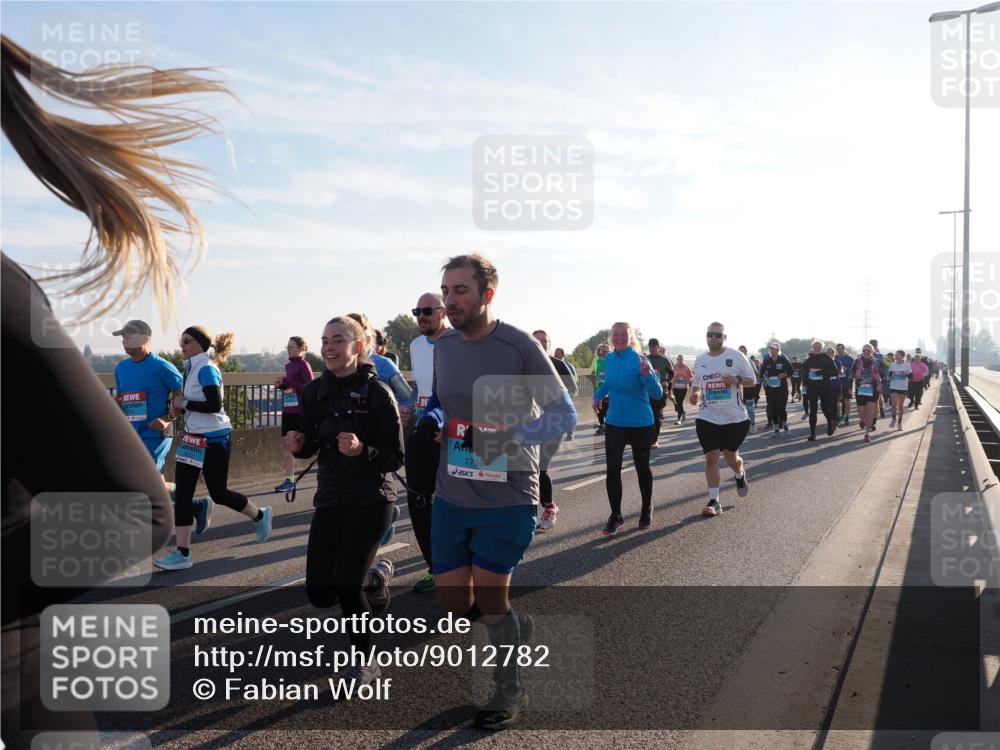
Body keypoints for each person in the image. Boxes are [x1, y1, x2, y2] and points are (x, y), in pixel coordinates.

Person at [1, 35, 212, 743]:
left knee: (177, 502)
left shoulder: (165, 369)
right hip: (92, 448)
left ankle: (196, 537)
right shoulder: (124, 369)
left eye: (137, 340)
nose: (131, 348)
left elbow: (181, 409)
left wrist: (163, 424)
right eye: (123, 341)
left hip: (154, 443)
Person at [420, 253, 576, 730]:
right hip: (452, 492)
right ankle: (515, 624)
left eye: (460, 291)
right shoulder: (443, 345)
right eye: (445, 292)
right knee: (451, 603)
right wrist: (431, 417)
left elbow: (563, 415)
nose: (449, 301)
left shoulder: (519, 346)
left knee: (490, 596)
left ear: (487, 294)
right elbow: (443, 402)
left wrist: (510, 438)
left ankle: (509, 687)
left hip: (508, 492)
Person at [283, 316, 405, 690]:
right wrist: (300, 446)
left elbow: (395, 457)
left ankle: (367, 662)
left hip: (372, 499)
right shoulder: (315, 392)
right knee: (320, 594)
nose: (329, 347)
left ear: (358, 346)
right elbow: (311, 442)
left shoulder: (378, 393)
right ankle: (375, 576)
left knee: (347, 588)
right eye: (325, 341)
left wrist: (362, 450)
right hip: (331, 498)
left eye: (338, 340)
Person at [154, 327, 273, 570]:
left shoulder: (207, 368)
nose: (182, 346)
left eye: (187, 341)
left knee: (219, 493)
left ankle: (260, 515)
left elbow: (214, 404)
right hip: (191, 440)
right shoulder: (191, 368)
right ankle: (183, 553)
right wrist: (179, 409)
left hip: (214, 441)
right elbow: (193, 404)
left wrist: (184, 402)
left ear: (200, 344)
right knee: (184, 494)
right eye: (181, 342)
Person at [113, 320, 213, 534]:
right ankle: (197, 505)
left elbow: (183, 396)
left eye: (128, 337)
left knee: (144, 481)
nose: (124, 342)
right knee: (152, 483)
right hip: (131, 434)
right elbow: (123, 398)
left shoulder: (161, 366)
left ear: (145, 339)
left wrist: (168, 419)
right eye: (122, 338)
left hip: (157, 433)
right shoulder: (121, 368)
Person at [593, 323, 663, 533]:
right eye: (616, 334)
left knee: (642, 468)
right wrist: (598, 395)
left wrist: (647, 375)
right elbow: (608, 383)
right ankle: (616, 516)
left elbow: (657, 393)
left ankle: (646, 508)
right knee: (612, 470)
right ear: (611, 337)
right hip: (614, 422)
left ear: (630, 337)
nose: (620, 338)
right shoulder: (610, 359)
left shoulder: (641, 359)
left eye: (624, 334)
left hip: (640, 423)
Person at [689, 323, 755, 517]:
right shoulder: (700, 360)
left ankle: (739, 473)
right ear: (706, 337)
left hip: (735, 418)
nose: (714, 338)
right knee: (711, 458)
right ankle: (714, 500)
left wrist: (736, 380)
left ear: (724, 338)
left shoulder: (736, 356)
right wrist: (695, 394)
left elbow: (752, 380)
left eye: (718, 335)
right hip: (708, 416)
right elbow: (696, 385)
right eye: (710, 334)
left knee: (731, 457)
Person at [406, 292, 448, 593]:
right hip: (425, 428)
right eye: (417, 311)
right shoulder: (415, 345)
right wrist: (409, 407)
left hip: (456, 431)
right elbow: (422, 388)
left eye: (427, 311)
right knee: (418, 496)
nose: (422, 316)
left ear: (442, 312)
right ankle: (436, 567)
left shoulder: (461, 340)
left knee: (458, 500)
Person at [533, 330, 579, 531]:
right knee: (526, 467)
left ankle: (550, 507)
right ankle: (526, 510)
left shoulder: (557, 364)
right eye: (536, 340)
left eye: (544, 341)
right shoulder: (523, 363)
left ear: (549, 344)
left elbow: (574, 390)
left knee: (541, 466)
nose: (541, 343)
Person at [274, 336, 316, 493]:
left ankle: (323, 470)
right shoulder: (288, 366)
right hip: (288, 409)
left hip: (299, 411)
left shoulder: (304, 365)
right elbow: (292, 388)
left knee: (296, 444)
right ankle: (289, 479)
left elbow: (309, 387)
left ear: (301, 349)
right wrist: (282, 385)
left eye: (292, 347)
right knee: (286, 443)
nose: (288, 349)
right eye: (288, 346)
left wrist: (288, 382)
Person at [801, 341, 839, 441]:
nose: (816, 349)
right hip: (812, 387)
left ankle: (830, 423)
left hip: (825, 386)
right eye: (815, 347)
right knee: (813, 410)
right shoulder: (809, 359)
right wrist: (806, 382)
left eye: (818, 347)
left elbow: (835, 371)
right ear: (812, 348)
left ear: (822, 348)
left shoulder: (827, 358)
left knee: (824, 407)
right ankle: (813, 433)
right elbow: (804, 372)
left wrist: (822, 372)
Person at [759, 342, 792, 435]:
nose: (772, 350)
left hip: (782, 388)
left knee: (781, 408)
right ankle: (776, 429)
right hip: (770, 388)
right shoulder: (767, 361)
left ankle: (785, 426)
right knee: (772, 408)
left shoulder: (783, 360)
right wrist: (763, 379)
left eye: (774, 349)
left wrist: (784, 374)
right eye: (771, 349)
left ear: (778, 350)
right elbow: (761, 374)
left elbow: (791, 371)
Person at [646, 338, 673, 448]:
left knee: (656, 416)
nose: (651, 348)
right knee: (647, 415)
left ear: (658, 347)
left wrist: (666, 381)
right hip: (646, 392)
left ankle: (654, 440)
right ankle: (645, 438)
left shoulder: (664, 360)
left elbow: (671, 373)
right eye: (650, 346)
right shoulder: (645, 359)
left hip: (660, 392)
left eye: (654, 346)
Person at [853, 344, 883, 444]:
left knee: (870, 411)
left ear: (872, 352)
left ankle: (867, 434)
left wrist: (880, 384)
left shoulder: (877, 362)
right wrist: (849, 386)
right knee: (861, 412)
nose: (866, 352)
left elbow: (883, 374)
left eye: (868, 351)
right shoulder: (857, 361)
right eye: (864, 350)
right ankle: (862, 420)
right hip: (860, 388)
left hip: (873, 388)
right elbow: (851, 374)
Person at [553, 347, 578, 439]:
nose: (556, 355)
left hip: (567, 392)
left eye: (558, 353)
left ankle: (570, 432)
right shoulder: (551, 364)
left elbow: (575, 379)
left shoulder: (568, 365)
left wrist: (571, 392)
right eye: (555, 353)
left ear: (563, 355)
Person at [886, 350, 912, 431]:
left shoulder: (907, 366)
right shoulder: (891, 365)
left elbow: (911, 376)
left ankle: (899, 423)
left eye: (898, 355)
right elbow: (888, 374)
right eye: (895, 355)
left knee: (900, 406)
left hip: (903, 387)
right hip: (893, 386)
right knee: (894, 404)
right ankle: (894, 419)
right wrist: (889, 377)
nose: (896, 356)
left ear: (902, 356)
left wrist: (905, 374)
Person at [738, 346, 759, 433]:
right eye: (740, 351)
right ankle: (742, 426)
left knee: (749, 408)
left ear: (746, 352)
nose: (741, 353)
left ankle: (753, 424)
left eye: (743, 351)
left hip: (749, 388)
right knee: (740, 408)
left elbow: (756, 374)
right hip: (739, 388)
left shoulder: (750, 362)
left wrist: (749, 379)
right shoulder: (735, 362)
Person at [833, 343, 855, 427]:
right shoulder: (835, 358)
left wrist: (847, 369)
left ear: (844, 349)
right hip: (837, 382)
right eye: (837, 349)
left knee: (847, 400)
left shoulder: (849, 359)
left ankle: (847, 417)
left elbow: (853, 371)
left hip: (847, 382)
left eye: (840, 348)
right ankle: (838, 416)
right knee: (836, 400)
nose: (839, 350)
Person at [591, 343, 610, 434]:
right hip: (599, 386)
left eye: (607, 350)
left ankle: (606, 424)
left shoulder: (611, 360)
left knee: (606, 406)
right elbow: (593, 372)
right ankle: (602, 424)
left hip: (609, 387)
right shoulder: (596, 360)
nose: (604, 352)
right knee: (598, 406)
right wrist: (595, 376)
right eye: (603, 350)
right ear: (600, 351)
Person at [671, 354, 693, 425]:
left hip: (684, 387)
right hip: (675, 386)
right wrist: (675, 378)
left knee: (680, 402)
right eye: (678, 359)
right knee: (678, 402)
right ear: (676, 360)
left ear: (683, 360)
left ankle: (678, 419)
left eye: (681, 359)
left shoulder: (686, 367)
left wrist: (687, 379)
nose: (679, 360)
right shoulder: (674, 367)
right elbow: (670, 376)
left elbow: (691, 376)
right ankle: (683, 412)